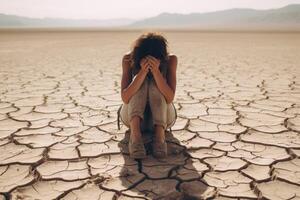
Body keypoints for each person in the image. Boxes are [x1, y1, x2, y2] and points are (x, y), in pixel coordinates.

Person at [119, 32, 177, 159]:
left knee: (155, 85)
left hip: (164, 118)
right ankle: (135, 137)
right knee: (142, 82)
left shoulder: (170, 60)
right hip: (132, 118)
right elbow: (125, 97)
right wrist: (141, 73)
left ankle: (159, 137)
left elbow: (170, 98)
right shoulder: (128, 59)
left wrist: (156, 72)